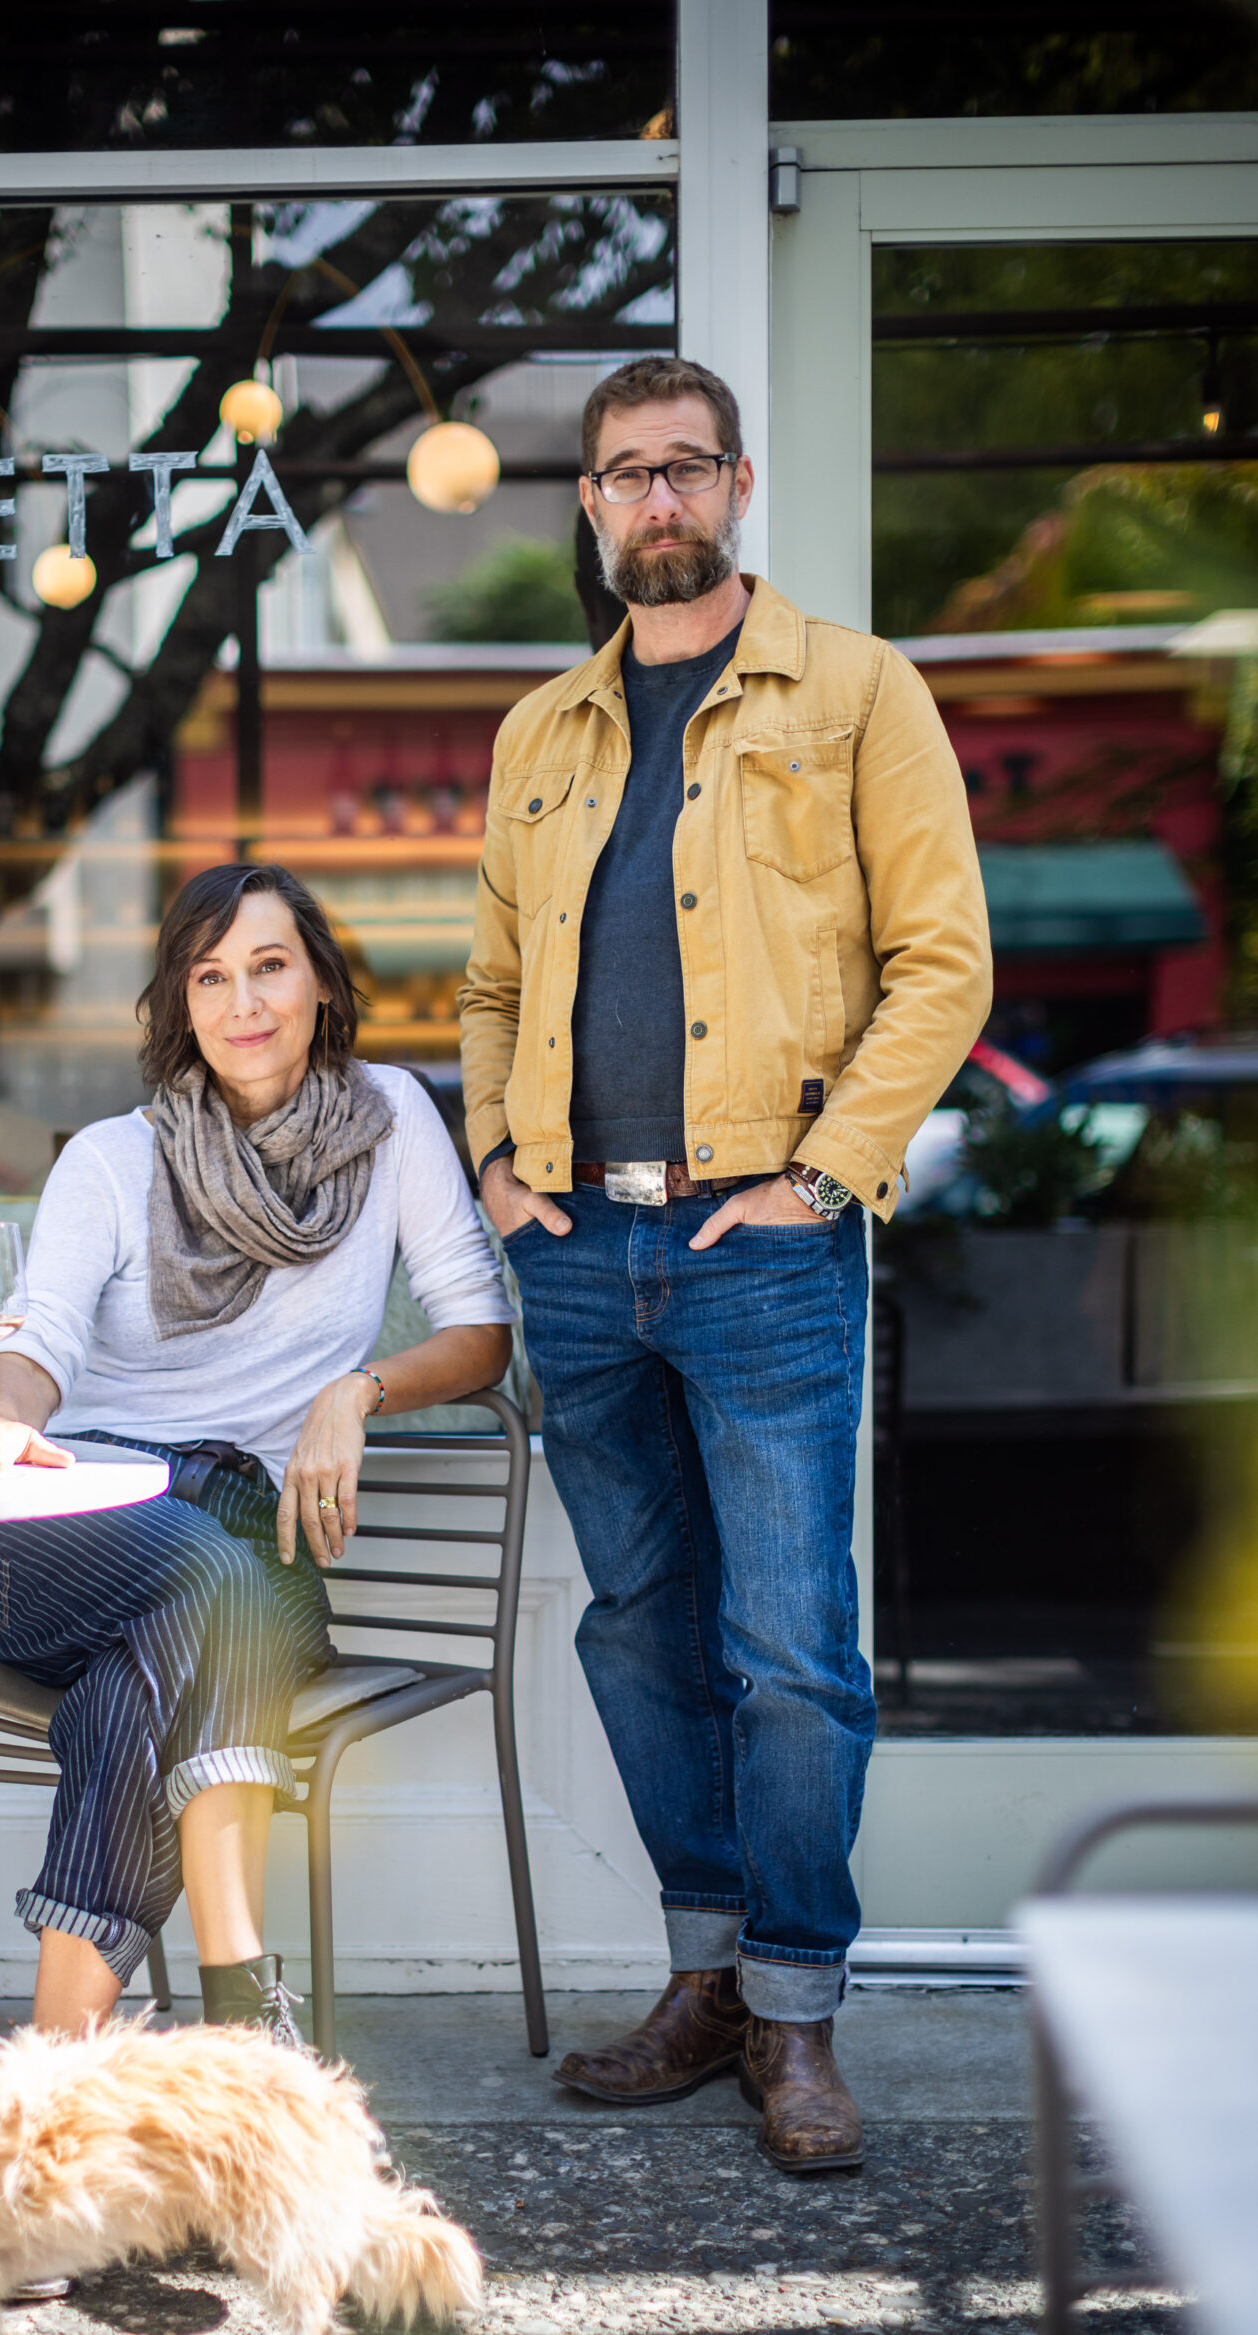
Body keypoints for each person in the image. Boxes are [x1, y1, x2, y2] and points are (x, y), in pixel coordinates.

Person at [460, 355, 991, 2171]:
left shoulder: (853, 690)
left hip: (761, 1240)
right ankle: (703, 1982)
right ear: (590, 504)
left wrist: (822, 1178)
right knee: (636, 1632)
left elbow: (941, 962)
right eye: (624, 474)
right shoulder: (541, 733)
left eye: (683, 467)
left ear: (737, 484)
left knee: (786, 1648)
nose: (655, 500)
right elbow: (490, 986)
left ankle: (795, 2010)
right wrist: (496, 1168)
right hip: (576, 1245)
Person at [0, 864, 514, 2044]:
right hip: (72, 1521)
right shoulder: (110, 1158)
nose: (244, 1002)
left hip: (243, 1527)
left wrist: (357, 1390)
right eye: (211, 975)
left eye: (270, 966)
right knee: (219, 1588)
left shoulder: (391, 1124)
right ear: (180, 1004)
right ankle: (243, 2000)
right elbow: (38, 1337)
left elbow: (479, 1330)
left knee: (137, 1691)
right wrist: (5, 1416)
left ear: (323, 983)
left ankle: (51, 2069)